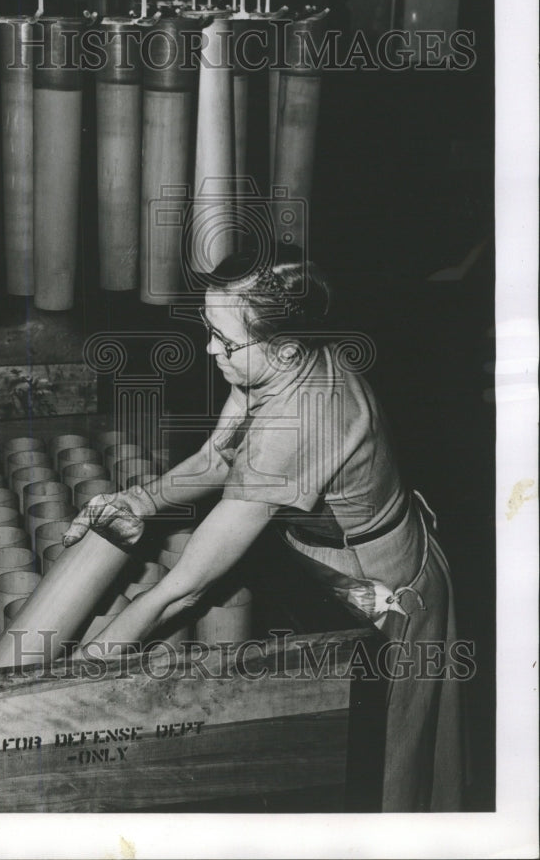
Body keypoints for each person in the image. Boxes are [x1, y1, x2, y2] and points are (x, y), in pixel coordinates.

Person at [63, 242, 465, 811]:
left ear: (286, 349)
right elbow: (221, 454)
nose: (209, 348)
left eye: (225, 341)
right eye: (208, 327)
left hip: (378, 582)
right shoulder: (269, 368)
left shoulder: (302, 418)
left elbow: (186, 588)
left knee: (383, 770)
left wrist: (88, 665)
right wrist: (139, 502)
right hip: (321, 554)